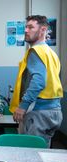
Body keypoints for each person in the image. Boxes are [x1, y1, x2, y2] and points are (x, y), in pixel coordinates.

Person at [10, 15, 63, 147]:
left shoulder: (35, 51)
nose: (26, 31)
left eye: (31, 27)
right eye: (25, 27)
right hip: (54, 111)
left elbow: (39, 82)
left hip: (38, 112)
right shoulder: (51, 53)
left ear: (43, 30)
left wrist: (23, 107)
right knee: (43, 153)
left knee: (31, 154)